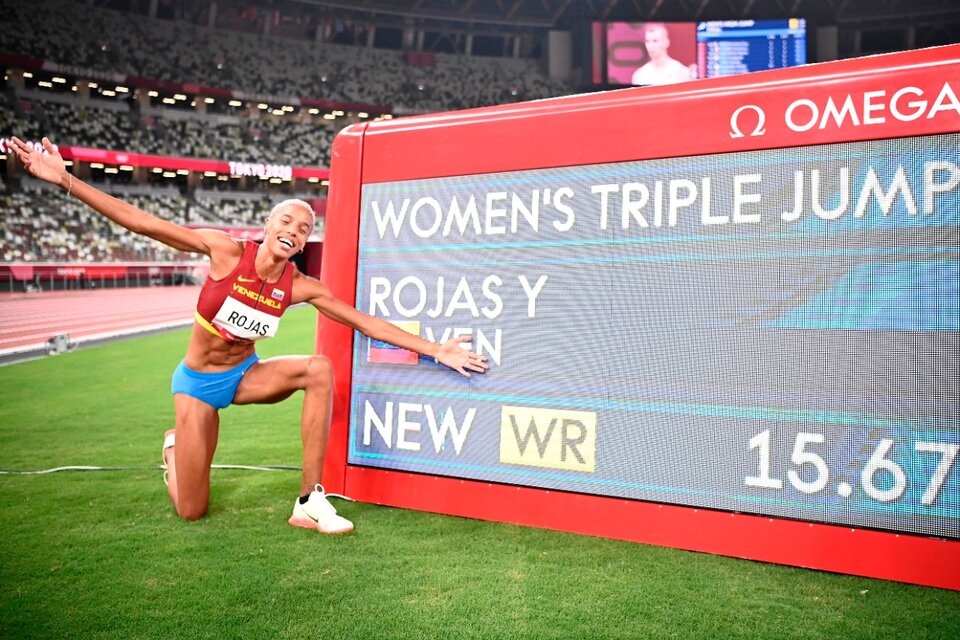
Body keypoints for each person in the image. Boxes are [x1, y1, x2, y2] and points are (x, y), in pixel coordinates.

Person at [9, 136, 489, 533]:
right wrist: (66, 180)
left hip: (245, 376)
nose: (294, 231)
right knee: (191, 509)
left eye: (304, 229)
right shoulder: (224, 252)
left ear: (304, 242)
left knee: (319, 369)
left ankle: (308, 501)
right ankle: (175, 446)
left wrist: (434, 350)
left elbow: (365, 322)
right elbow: (144, 222)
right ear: (267, 226)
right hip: (198, 384)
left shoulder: (301, 286)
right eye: (286, 221)